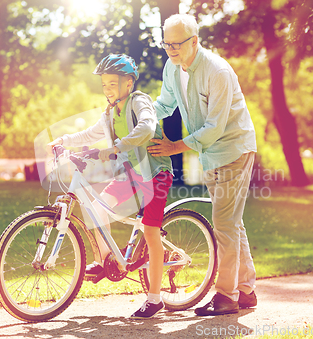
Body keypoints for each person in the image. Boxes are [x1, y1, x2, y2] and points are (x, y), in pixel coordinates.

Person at [47, 54, 173, 319]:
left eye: (112, 84)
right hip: (131, 175)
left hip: (155, 173)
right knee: (97, 209)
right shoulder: (110, 112)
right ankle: (108, 262)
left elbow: (148, 126)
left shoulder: (139, 101)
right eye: (104, 85)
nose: (107, 90)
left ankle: (155, 298)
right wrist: (65, 139)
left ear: (128, 83)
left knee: (150, 232)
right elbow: (92, 133)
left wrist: (117, 147)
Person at [147, 14, 258, 316]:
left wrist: (175, 147)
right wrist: (139, 115)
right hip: (210, 154)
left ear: (194, 41)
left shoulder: (217, 71)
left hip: (233, 150)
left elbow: (214, 128)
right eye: (166, 43)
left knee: (224, 225)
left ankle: (226, 297)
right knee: (232, 223)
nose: (171, 50)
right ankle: (246, 290)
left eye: (177, 44)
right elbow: (165, 104)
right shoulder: (172, 67)